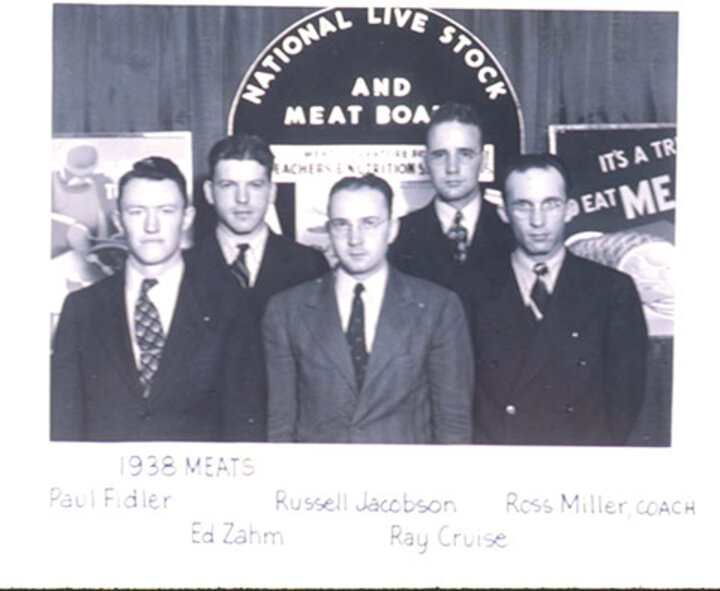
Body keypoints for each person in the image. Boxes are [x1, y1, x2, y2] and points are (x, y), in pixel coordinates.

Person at [51, 156, 264, 441]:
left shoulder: (230, 305)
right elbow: (63, 423)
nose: (152, 226)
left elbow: (244, 424)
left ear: (186, 218)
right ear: (119, 220)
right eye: (137, 212)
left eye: (165, 211)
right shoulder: (82, 309)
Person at [263, 173, 473, 444]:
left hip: (405, 483)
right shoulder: (286, 311)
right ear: (328, 229)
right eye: (341, 225)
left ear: (392, 229)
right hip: (317, 483)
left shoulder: (438, 307)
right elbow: (280, 425)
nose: (355, 239)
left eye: (369, 224)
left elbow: (453, 424)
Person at [466, 154, 648, 445]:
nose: (538, 221)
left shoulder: (612, 291)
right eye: (523, 206)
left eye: (550, 204)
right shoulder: (471, 290)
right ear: (504, 212)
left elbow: (624, 399)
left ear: (570, 209)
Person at [186, 134, 329, 315]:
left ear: (271, 192)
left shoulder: (310, 264)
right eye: (228, 185)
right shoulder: (185, 267)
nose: (242, 199)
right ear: (209, 192)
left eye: (255, 185)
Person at [389, 101, 513, 292]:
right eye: (440, 155)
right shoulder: (399, 237)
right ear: (426, 162)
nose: (452, 168)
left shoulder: (511, 230)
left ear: (484, 161)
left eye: (465, 154)